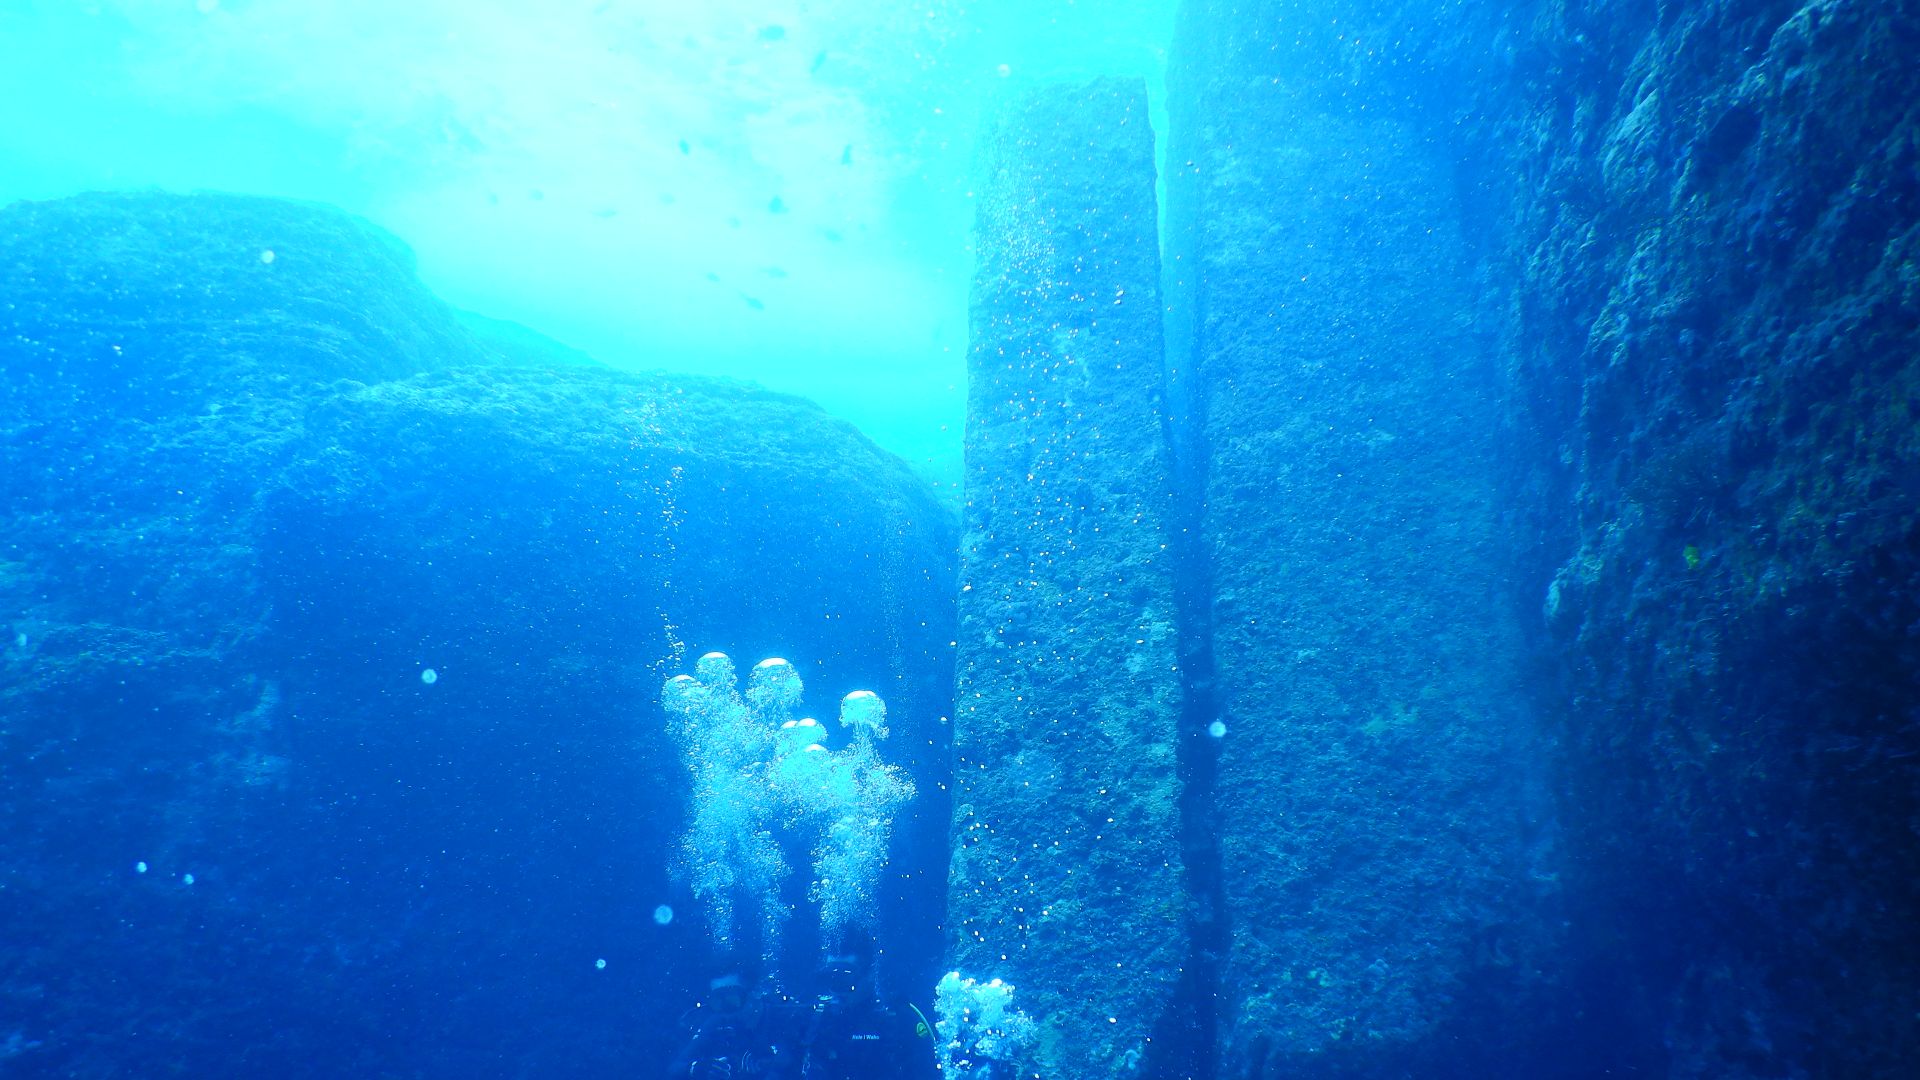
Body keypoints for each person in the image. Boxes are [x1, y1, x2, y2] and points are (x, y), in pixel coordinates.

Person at [669, 941, 936, 1079]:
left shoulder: (899, 1017)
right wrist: (698, 1070)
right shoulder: (815, 1018)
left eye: (844, 977)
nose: (835, 988)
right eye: (829, 978)